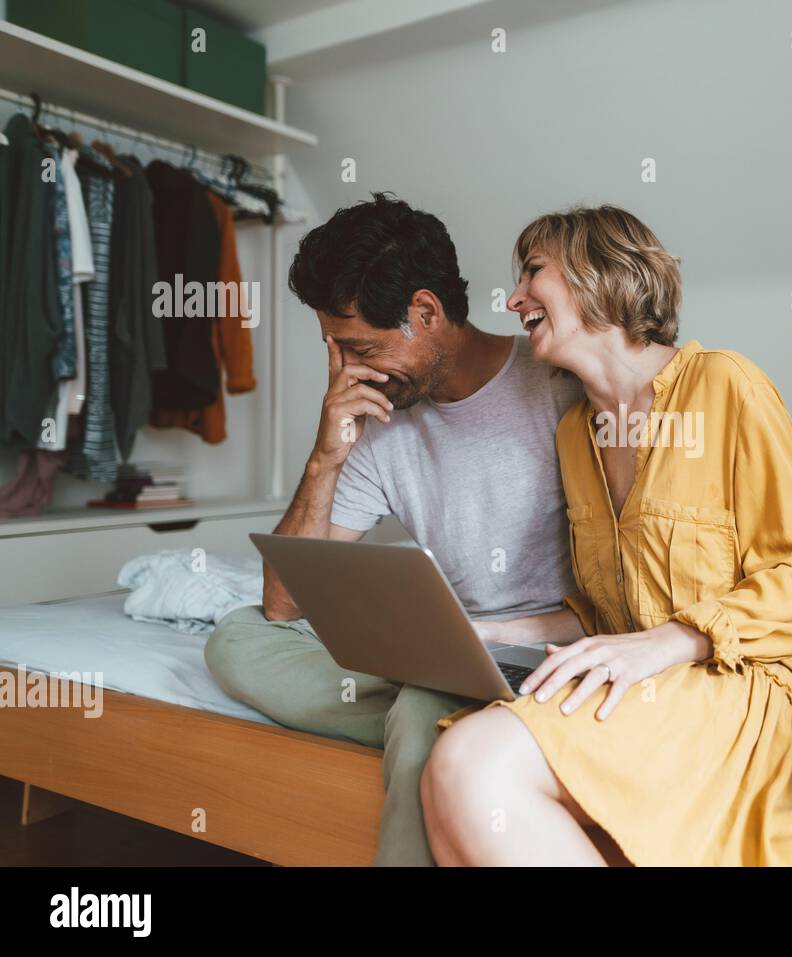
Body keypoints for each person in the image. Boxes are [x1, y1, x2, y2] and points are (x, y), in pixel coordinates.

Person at [419, 205, 792, 865]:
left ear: (599, 274)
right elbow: (606, 611)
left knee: (471, 762)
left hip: (773, 681)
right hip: (673, 685)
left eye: (533, 271)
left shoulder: (727, 386)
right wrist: (495, 632)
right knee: (463, 809)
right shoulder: (577, 435)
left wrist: (668, 643)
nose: (513, 298)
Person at [204, 193, 582, 866]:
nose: (351, 371)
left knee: (416, 707)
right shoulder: (379, 422)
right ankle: (440, 704)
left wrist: (486, 643)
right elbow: (282, 605)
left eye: (362, 348)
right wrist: (327, 454)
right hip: (447, 655)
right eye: (338, 353)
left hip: (550, 656)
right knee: (236, 636)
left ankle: (431, 712)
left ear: (425, 312)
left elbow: (621, 593)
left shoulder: (555, 384)